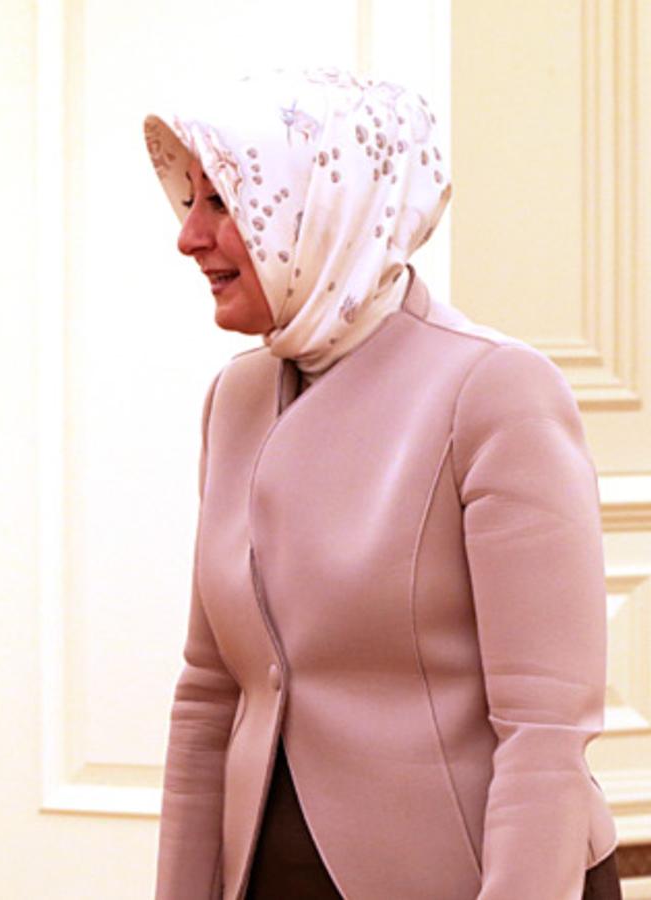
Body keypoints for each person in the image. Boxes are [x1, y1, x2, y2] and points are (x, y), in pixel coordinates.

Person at [143, 69, 621, 899]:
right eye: (191, 201)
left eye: (221, 201)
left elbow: (544, 731)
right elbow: (210, 694)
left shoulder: (494, 389)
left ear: (325, 205)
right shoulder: (236, 397)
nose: (189, 236)